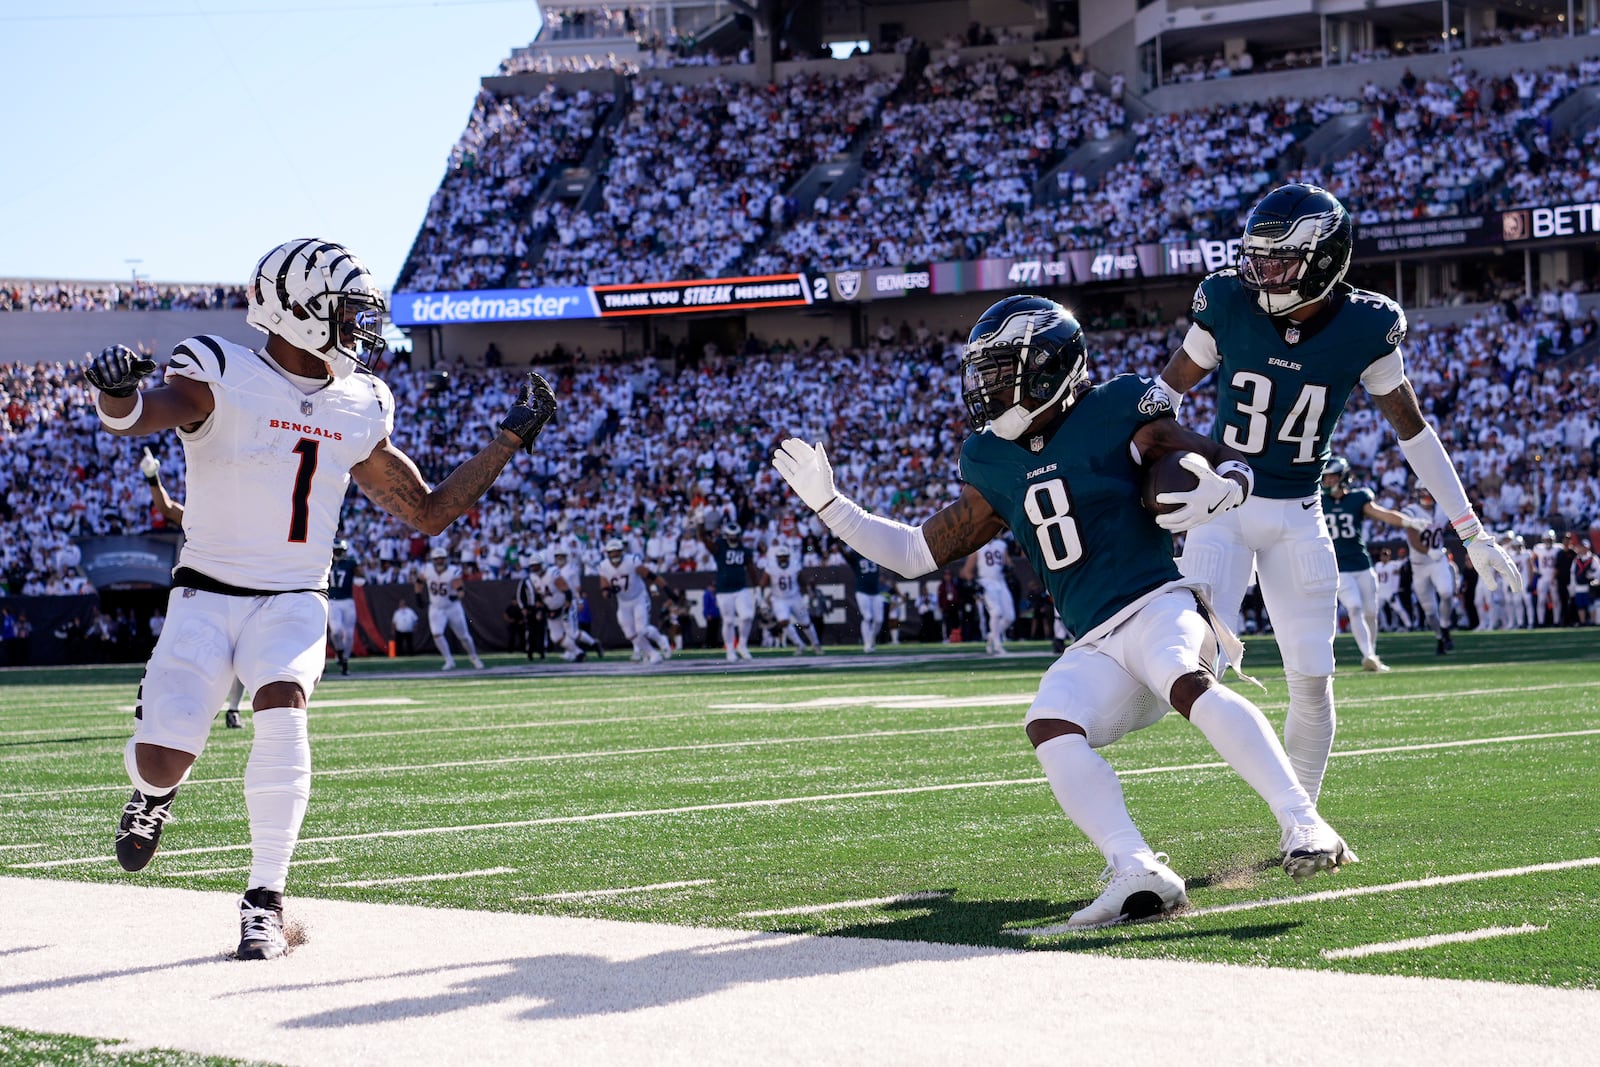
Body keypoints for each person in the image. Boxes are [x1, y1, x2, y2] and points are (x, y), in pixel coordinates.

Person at [775, 294, 1355, 930]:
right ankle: (1137, 867)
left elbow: (1215, 453)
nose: (987, 389)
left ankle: (1305, 823)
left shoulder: (1118, 408)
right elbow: (916, 552)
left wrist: (1232, 481)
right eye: (984, 375)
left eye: (1001, 374)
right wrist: (832, 506)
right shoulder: (991, 459)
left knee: (1183, 675)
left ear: (1051, 368)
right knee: (1049, 721)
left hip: (1162, 603)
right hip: (1097, 641)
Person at [88, 236, 556, 960]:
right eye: (347, 312)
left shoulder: (358, 400)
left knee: (283, 709)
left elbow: (426, 511)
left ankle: (264, 902)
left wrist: (509, 439)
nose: (360, 328)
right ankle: (152, 797)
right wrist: (114, 390)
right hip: (206, 592)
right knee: (162, 757)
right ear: (298, 311)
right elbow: (135, 415)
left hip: (295, 595)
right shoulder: (221, 369)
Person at [1157, 183, 1521, 802]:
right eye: (1257, 257)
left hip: (1300, 515)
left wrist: (1470, 530)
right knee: (1186, 670)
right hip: (1222, 510)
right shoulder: (1227, 301)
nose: (1261, 272)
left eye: (1279, 261)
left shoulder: (1366, 326)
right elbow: (1163, 398)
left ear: (1323, 261)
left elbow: (1414, 433)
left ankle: (1301, 819)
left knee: (1313, 679)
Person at [140, 447, 248, 727]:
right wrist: (153, 478)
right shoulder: (197, 518)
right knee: (190, 653)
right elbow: (166, 507)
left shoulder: (246, 524)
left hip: (240, 592)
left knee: (242, 657)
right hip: (203, 595)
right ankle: (177, 708)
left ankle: (233, 708)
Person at [1320, 456, 1427, 672]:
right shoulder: (1318, 501)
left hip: (1362, 563)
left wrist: (1409, 522)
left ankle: (1372, 654)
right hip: (1338, 566)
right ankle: (1367, 655)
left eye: (1332, 477)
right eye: (1326, 477)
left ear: (1343, 477)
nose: (1328, 481)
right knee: (1354, 606)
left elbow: (1383, 515)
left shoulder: (1359, 498)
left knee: (1370, 611)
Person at [598, 537, 673, 664]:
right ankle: (653, 654)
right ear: (608, 553)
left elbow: (650, 575)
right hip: (623, 603)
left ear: (622, 551)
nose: (615, 554)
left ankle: (661, 639)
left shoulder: (632, 561)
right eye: (612, 552)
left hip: (639, 598)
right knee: (630, 634)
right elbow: (604, 588)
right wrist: (609, 592)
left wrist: (665, 588)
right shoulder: (604, 566)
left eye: (617, 551)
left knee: (641, 630)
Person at [415, 547, 485, 671]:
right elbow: (419, 581)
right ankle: (449, 660)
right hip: (436, 607)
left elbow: (460, 589)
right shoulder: (427, 569)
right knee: (437, 634)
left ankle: (474, 658)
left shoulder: (453, 571)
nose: (440, 561)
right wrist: (418, 595)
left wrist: (456, 595)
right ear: (433, 560)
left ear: (446, 559)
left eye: (442, 559)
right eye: (437, 559)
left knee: (463, 636)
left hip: (452, 607)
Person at [697, 517, 757, 660]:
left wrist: (757, 587)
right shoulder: (720, 546)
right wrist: (700, 523)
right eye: (731, 535)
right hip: (724, 591)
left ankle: (742, 645)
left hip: (740, 588)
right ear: (726, 535)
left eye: (735, 535)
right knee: (728, 621)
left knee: (747, 616)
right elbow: (704, 540)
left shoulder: (744, 550)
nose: (733, 538)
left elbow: (751, 569)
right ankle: (730, 649)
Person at [759, 542, 822, 654]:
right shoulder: (771, 567)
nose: (783, 559)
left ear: (788, 557)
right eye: (780, 557)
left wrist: (806, 596)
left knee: (805, 623)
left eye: (785, 557)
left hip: (795, 597)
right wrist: (761, 600)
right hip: (779, 599)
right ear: (777, 558)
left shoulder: (795, 565)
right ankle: (799, 644)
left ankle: (815, 644)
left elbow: (802, 583)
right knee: (784, 622)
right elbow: (762, 585)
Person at [963, 537, 1015, 656]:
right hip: (986, 583)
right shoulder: (978, 545)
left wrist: (1010, 568)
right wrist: (974, 584)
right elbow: (967, 571)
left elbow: (1009, 562)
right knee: (996, 613)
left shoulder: (1001, 544)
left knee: (1010, 617)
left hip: (1001, 582)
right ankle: (997, 645)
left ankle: (992, 636)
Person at [551, 544, 603, 659]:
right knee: (563, 630)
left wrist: (579, 601)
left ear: (566, 557)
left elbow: (577, 587)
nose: (559, 559)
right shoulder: (553, 570)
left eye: (561, 556)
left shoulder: (571, 570)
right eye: (557, 556)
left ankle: (592, 644)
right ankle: (573, 651)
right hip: (558, 603)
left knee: (572, 631)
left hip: (570, 602)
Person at [326, 538, 363, 675]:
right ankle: (340, 653)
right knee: (336, 631)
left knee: (349, 635)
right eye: (336, 550)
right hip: (333, 600)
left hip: (347, 601)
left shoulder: (350, 563)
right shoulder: (326, 563)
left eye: (340, 550)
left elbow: (362, 577)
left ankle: (344, 661)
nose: (338, 552)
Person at [841, 547, 883, 653]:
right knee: (868, 617)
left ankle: (871, 640)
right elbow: (846, 556)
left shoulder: (875, 553)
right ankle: (867, 644)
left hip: (875, 591)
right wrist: (839, 545)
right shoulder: (856, 555)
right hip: (862, 591)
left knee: (879, 620)